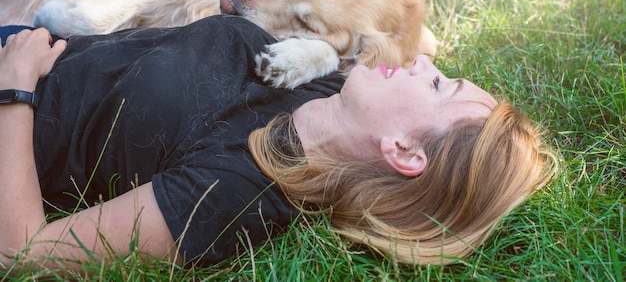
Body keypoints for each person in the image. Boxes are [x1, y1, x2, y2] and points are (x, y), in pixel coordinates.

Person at [0, 16, 556, 270]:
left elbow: (21, 249)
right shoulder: (325, 86)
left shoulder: (237, 196)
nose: (425, 60)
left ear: (405, 152)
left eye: (438, 85)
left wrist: (17, 86)